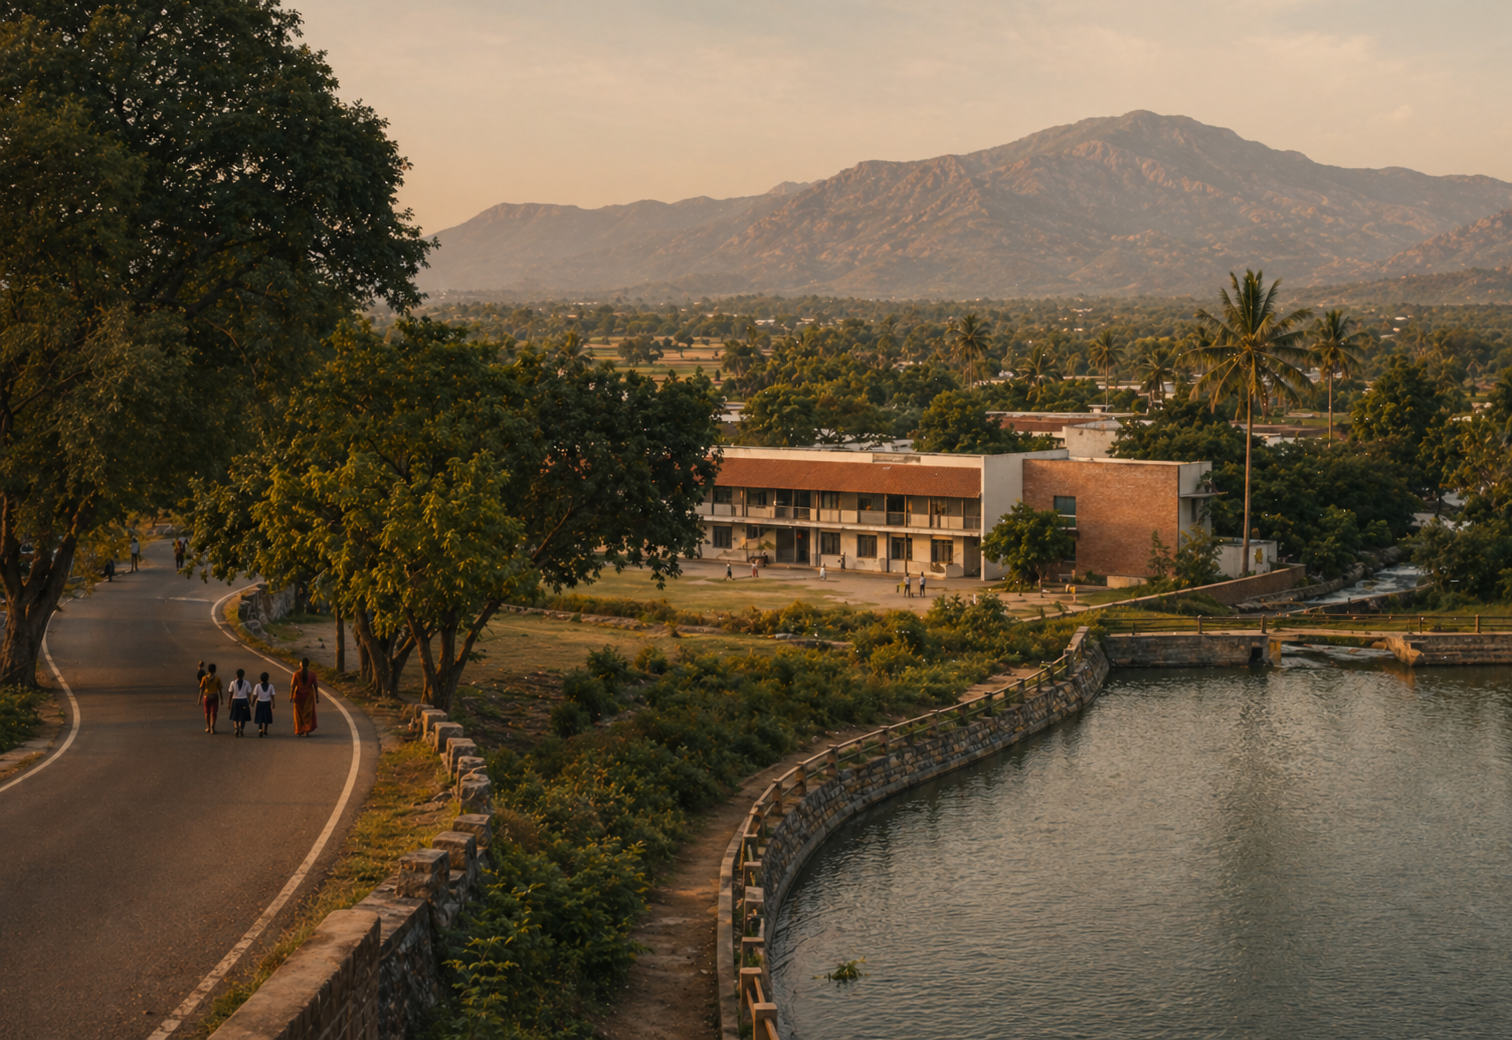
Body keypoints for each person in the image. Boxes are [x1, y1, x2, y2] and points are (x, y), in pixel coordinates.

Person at [290, 658, 320, 737]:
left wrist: (291, 696)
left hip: (298, 695)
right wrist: (317, 697)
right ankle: (306, 731)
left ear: (301, 664)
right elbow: (315, 686)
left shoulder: (296, 674)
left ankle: (300, 730)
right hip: (308, 696)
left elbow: (293, 686)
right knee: (308, 713)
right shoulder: (312, 674)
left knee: (298, 714)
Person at [227, 668, 253, 737]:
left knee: (235, 715)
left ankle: (236, 728)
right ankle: (241, 728)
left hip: (235, 700)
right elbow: (249, 693)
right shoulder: (247, 683)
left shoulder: (233, 683)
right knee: (242, 716)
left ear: (236, 675)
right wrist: (249, 701)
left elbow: (230, 693)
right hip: (244, 700)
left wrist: (229, 703)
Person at [198, 663, 222, 735]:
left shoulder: (204, 678)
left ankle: (208, 727)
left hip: (206, 696)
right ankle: (212, 727)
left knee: (207, 713)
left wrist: (199, 699)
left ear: (208, 670)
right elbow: (219, 689)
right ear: (215, 670)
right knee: (214, 713)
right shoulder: (217, 678)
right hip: (215, 696)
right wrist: (222, 699)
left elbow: (202, 689)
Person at [253, 672, 276, 737]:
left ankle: (260, 729)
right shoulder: (271, 686)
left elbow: (255, 695)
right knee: (266, 716)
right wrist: (273, 703)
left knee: (260, 716)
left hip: (260, 702)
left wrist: (253, 702)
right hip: (267, 702)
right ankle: (265, 730)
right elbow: (272, 695)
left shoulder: (257, 686)